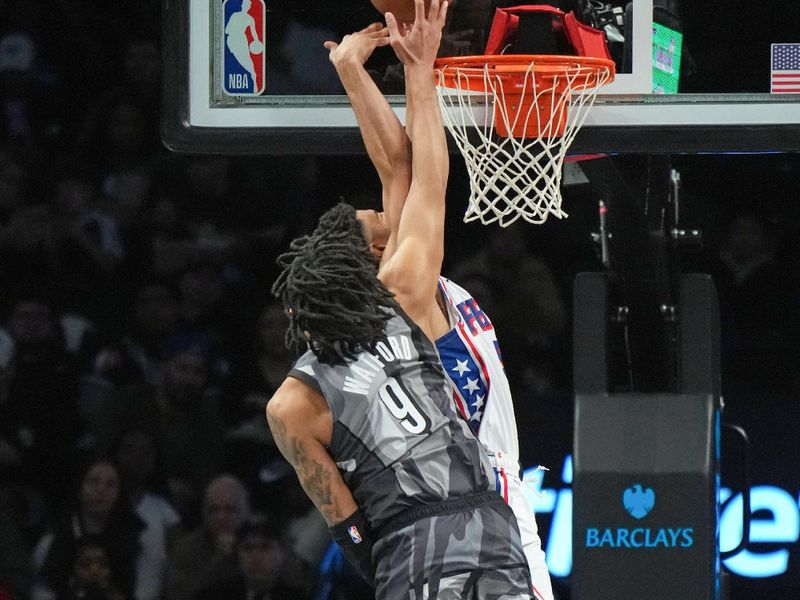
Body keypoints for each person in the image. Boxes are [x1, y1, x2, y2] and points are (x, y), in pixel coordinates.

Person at [268, 2, 532, 598]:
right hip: (488, 498)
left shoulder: (307, 385)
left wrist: (351, 72)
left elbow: (399, 166)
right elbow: (418, 175)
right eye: (375, 220)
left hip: (414, 542)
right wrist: (421, 68)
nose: (386, 212)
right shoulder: (405, 287)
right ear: (369, 260)